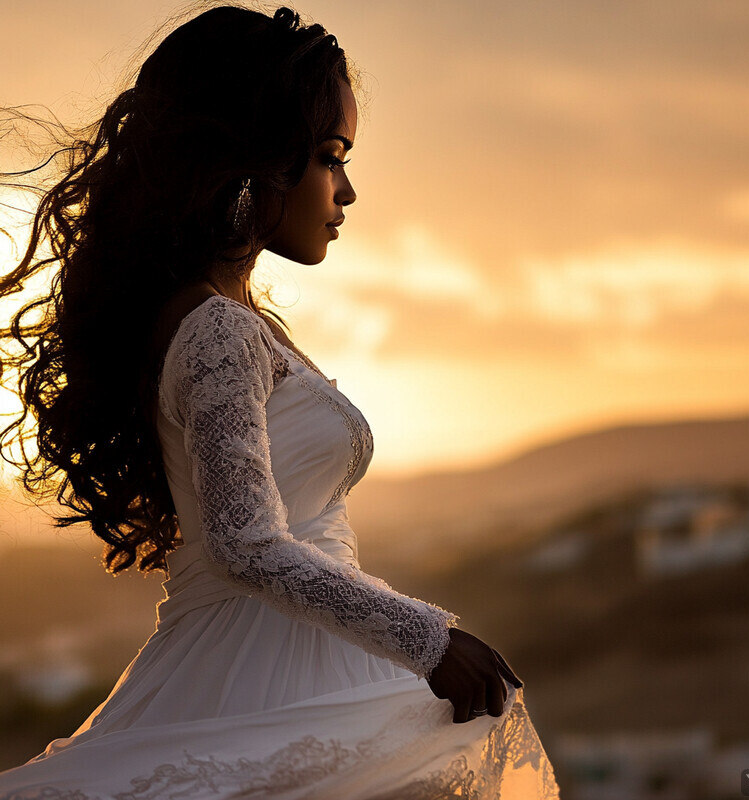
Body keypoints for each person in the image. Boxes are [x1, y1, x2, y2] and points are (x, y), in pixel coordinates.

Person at [0, 5, 560, 798]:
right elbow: (245, 542)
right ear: (252, 158)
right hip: (260, 681)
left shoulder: (226, 320)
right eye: (331, 157)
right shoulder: (217, 330)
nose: (348, 189)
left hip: (292, 666)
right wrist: (430, 643)